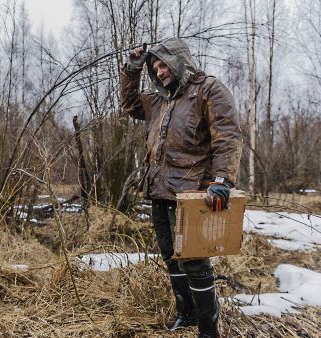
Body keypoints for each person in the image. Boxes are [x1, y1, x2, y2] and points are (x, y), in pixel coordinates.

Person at [120, 38, 243, 338]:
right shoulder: (158, 99)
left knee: (194, 260)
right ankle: (185, 316)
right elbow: (129, 104)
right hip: (159, 190)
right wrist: (133, 69)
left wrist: (222, 181)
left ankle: (208, 329)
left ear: (179, 60)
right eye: (155, 67)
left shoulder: (208, 89)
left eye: (164, 65)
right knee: (169, 254)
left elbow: (228, 136)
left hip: (192, 195)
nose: (160, 72)